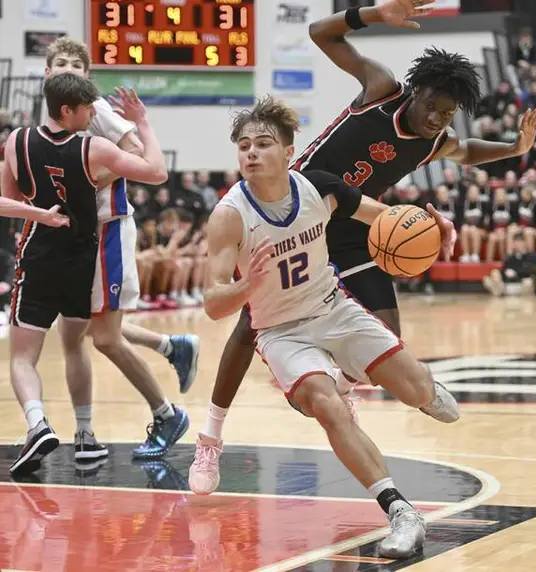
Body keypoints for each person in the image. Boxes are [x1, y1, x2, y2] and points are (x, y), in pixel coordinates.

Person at [190, 0, 536, 493]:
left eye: (446, 114)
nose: (437, 119)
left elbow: (464, 151)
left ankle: (340, 386)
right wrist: (376, 14)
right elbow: (320, 31)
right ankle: (211, 437)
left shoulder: (434, 140)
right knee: (253, 324)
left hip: (355, 224)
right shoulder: (382, 90)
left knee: (387, 333)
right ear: (415, 92)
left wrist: (514, 148)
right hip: (303, 208)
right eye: (431, 106)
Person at [191, 96, 459, 558]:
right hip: (281, 332)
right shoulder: (229, 215)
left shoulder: (319, 187)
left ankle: (417, 388)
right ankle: (400, 511)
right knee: (327, 405)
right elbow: (213, 305)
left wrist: (433, 228)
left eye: (263, 144)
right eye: (244, 145)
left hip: (333, 309)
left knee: (420, 391)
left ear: (288, 152)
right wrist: (245, 286)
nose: (251, 152)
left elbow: (387, 218)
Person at [1, 74, 170, 475]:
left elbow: (6, 201)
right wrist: (142, 123)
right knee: (76, 347)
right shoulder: (95, 149)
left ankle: (38, 423)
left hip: (39, 256)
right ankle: (84, 433)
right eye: (87, 108)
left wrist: (39, 214)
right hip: (82, 262)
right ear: (67, 110)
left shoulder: (17, 142)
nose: (94, 114)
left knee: (23, 358)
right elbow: (157, 172)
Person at [44, 37, 197, 462]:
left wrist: (89, 178)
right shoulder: (52, 119)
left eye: (76, 64)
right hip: (78, 234)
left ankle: (166, 413)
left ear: (87, 74)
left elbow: (137, 154)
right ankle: (170, 347)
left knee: (105, 337)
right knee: (84, 328)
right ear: (47, 72)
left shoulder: (95, 109)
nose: (68, 69)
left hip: (107, 228)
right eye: (61, 63)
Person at [483, 231, 536, 296]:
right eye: (516, 242)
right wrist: (506, 272)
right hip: (510, 283)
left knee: (528, 283)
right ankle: (500, 289)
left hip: (525, 284)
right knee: (493, 274)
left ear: (525, 243)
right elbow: (504, 270)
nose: (518, 244)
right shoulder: (510, 258)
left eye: (520, 241)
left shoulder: (533, 257)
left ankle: (500, 291)